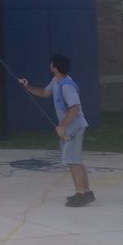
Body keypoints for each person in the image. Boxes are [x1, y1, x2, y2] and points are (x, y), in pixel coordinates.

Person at [19, 54, 94, 207]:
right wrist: (27, 86)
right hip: (70, 126)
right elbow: (44, 93)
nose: (50, 65)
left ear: (55, 67)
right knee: (74, 160)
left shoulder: (67, 86)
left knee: (73, 160)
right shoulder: (56, 81)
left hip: (74, 126)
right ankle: (86, 192)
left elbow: (75, 108)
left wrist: (63, 127)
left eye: (51, 63)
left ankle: (81, 194)